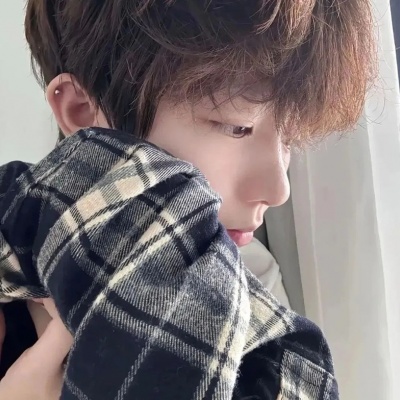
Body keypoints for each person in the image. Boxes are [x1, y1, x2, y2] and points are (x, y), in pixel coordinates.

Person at [0, 0, 376, 398]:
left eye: (291, 139)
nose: (277, 188)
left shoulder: (256, 301)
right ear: (83, 111)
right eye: (237, 127)